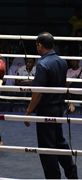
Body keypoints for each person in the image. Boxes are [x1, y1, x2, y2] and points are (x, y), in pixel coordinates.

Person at [25, 32, 78, 179]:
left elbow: (38, 92)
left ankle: (53, 178)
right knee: (59, 141)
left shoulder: (42, 64)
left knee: (47, 147)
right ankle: (72, 173)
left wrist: (28, 111)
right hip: (58, 108)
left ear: (39, 45)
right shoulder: (61, 61)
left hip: (46, 109)